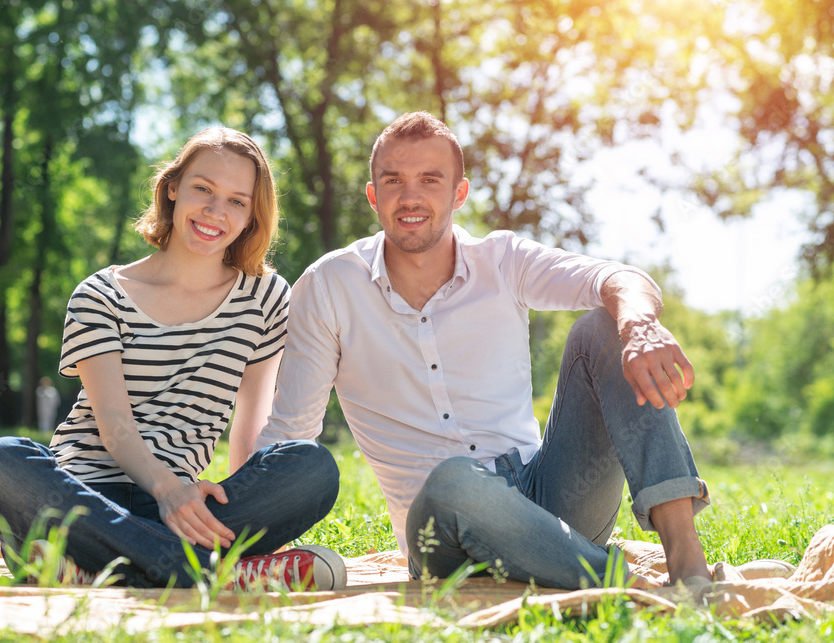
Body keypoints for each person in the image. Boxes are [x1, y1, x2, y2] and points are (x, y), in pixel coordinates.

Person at [254, 111, 712, 590]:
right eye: (393, 180)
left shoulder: (502, 260)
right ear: (374, 196)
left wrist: (638, 324)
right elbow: (291, 433)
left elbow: (617, 278)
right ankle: (620, 582)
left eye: (430, 180)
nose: (410, 197)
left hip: (550, 502)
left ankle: (686, 562)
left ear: (459, 193)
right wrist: (251, 539)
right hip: (441, 531)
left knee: (605, 324)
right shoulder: (329, 286)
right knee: (455, 479)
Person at [0, 127, 345, 590]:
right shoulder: (101, 295)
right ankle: (208, 574)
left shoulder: (265, 297)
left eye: (236, 201)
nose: (215, 211)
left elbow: (250, 426)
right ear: (173, 188)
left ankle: (99, 566)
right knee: (1, 460)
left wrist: (243, 506)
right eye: (203, 189)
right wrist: (166, 489)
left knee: (313, 467)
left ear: (252, 215)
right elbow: (114, 425)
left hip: (188, 509)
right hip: (84, 496)